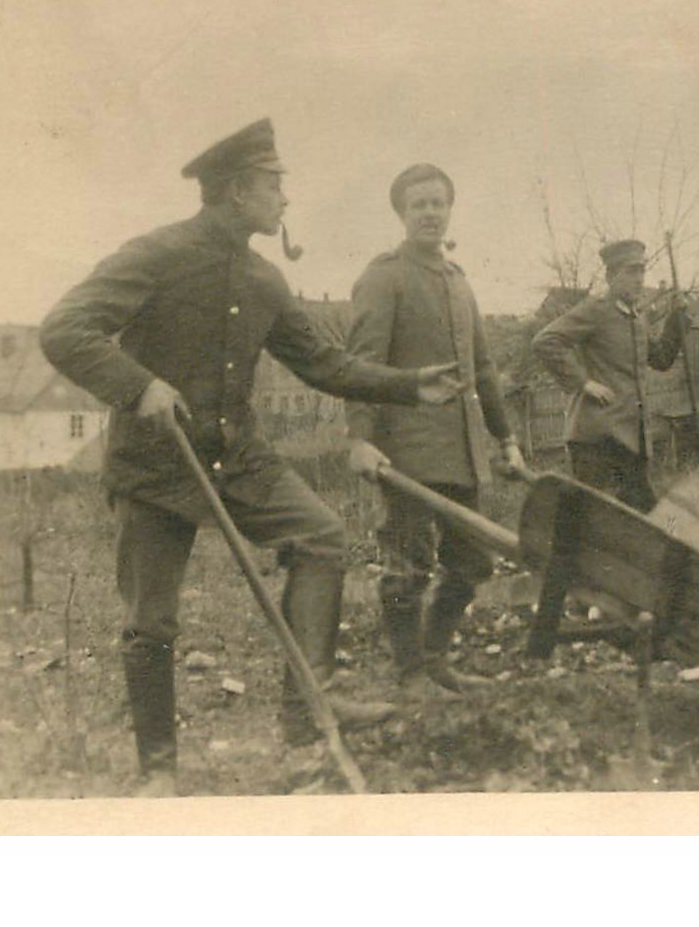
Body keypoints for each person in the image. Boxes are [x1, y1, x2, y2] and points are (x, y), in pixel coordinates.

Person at [39, 118, 462, 795]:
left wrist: (409, 384)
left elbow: (324, 361)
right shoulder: (156, 254)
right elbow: (64, 329)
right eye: (274, 185)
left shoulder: (264, 278)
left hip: (238, 457)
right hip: (155, 461)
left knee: (321, 535)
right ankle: (158, 769)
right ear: (238, 191)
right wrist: (138, 383)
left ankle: (306, 714)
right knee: (151, 619)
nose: (284, 199)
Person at [345, 163, 527, 699]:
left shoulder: (458, 280)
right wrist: (360, 436)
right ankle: (410, 674)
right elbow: (360, 366)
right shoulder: (384, 277)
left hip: (464, 452)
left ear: (450, 210)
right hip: (406, 453)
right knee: (408, 566)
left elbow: (485, 368)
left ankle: (434, 658)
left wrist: (506, 437)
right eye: (418, 204)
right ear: (401, 214)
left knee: (471, 562)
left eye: (438, 203)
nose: (429, 212)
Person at [531, 238, 689, 513]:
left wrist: (676, 321)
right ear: (611, 276)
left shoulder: (636, 319)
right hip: (596, 439)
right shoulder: (595, 310)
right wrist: (583, 383)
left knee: (642, 518)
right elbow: (546, 341)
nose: (639, 279)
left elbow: (661, 358)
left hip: (631, 440)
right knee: (590, 519)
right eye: (631, 272)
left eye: (642, 271)